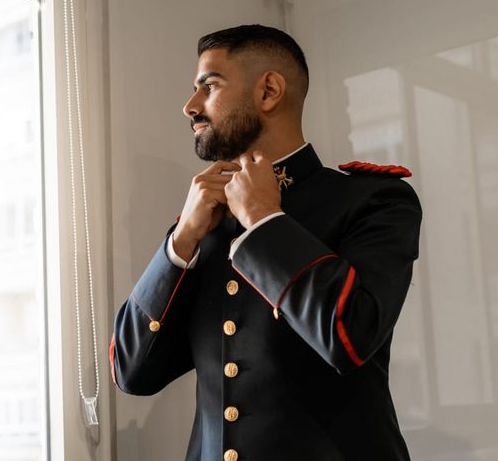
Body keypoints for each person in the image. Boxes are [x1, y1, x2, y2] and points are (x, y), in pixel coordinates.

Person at [110, 24, 421, 461]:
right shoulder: (204, 221)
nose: (190, 106)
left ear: (269, 91)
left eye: (209, 86)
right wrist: (180, 241)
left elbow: (348, 336)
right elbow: (131, 373)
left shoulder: (374, 200)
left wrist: (263, 219)